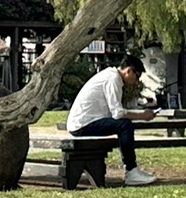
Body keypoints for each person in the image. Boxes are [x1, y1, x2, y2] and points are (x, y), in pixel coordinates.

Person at [65, 55, 159, 186]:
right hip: (83, 125)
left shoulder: (111, 76)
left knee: (124, 125)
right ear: (129, 71)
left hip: (83, 122)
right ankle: (131, 171)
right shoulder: (113, 79)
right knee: (125, 126)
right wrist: (143, 116)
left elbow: (117, 110)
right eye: (137, 76)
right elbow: (118, 113)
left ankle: (132, 170)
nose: (137, 81)